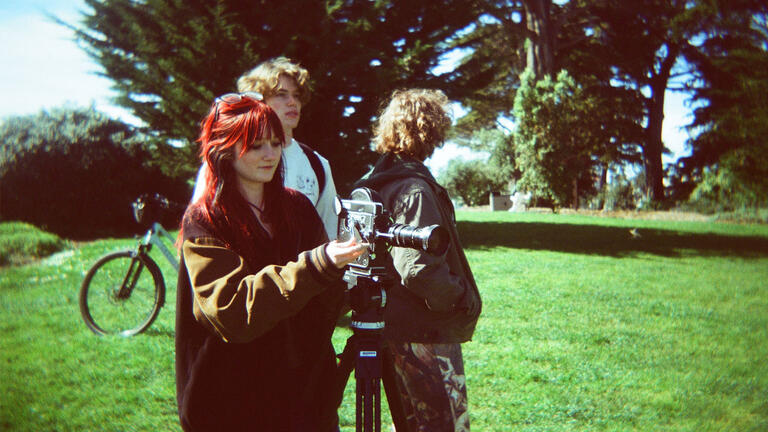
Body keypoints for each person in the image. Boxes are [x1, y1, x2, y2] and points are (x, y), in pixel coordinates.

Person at [175, 92, 366, 431]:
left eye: (276, 144)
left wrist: (351, 280)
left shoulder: (296, 208)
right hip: (231, 404)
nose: (270, 155)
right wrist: (317, 264)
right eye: (255, 145)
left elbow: (323, 301)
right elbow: (232, 311)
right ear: (224, 148)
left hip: (304, 398)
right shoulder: (205, 220)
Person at [353, 89, 482, 431]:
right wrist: (459, 296)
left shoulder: (375, 183)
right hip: (426, 331)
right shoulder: (414, 188)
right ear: (431, 130)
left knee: (408, 423)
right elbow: (419, 269)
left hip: (388, 326)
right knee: (444, 425)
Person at [192, 56, 338, 239]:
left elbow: (329, 238)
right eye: (281, 94)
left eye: (297, 95)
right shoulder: (225, 160)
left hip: (306, 266)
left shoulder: (317, 165)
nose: (292, 102)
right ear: (257, 100)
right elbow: (200, 229)